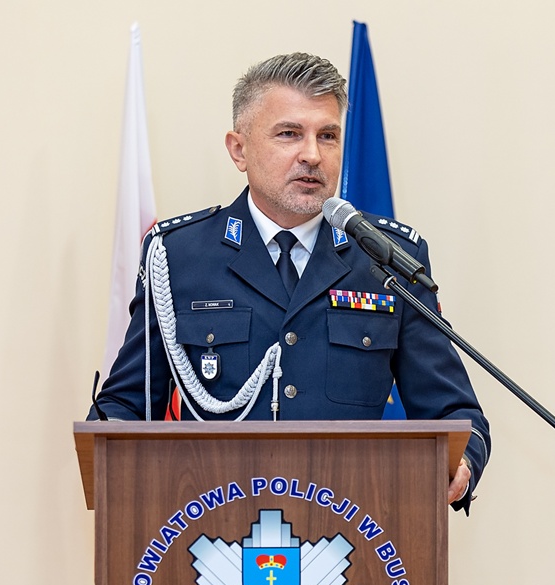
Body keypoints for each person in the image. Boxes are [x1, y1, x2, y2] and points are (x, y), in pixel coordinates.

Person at [90, 52, 489, 511]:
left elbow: (453, 412)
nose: (312, 155)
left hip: (355, 526)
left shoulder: (386, 259)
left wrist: (463, 461)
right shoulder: (179, 257)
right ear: (239, 149)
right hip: (212, 528)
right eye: (289, 134)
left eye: (328, 136)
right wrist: (106, 439)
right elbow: (128, 405)